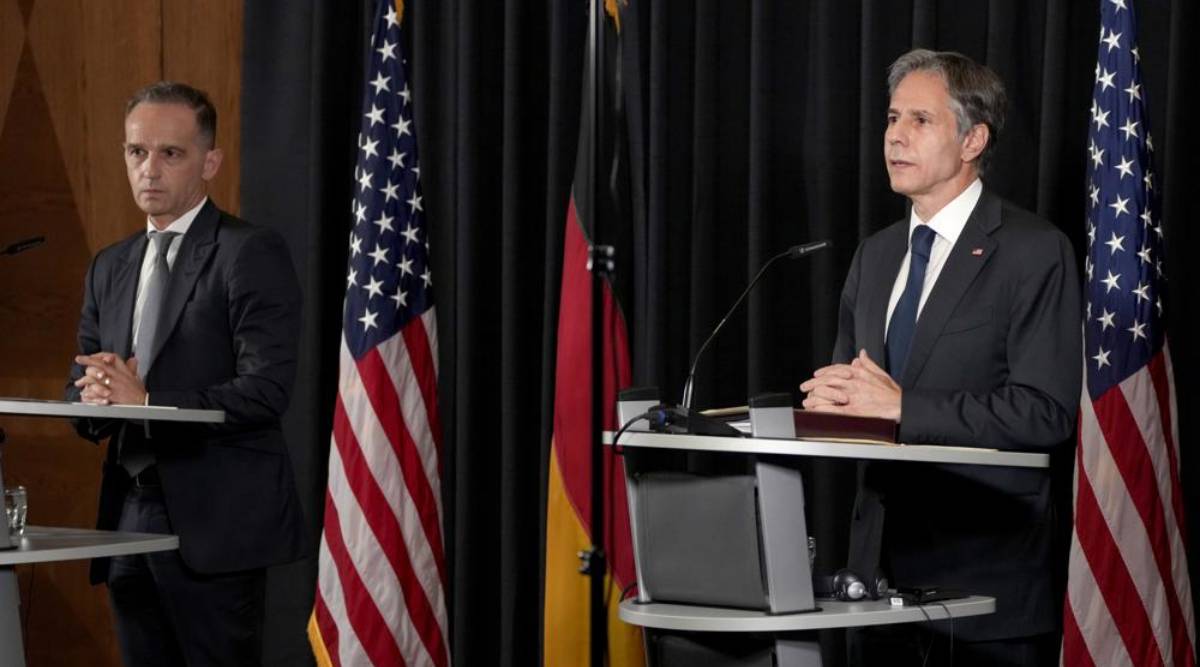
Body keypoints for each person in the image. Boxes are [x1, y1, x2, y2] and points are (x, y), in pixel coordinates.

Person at [800, 49, 1081, 665]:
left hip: (984, 595)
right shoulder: (874, 257)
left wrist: (903, 407)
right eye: (893, 117)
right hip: (874, 593)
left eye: (920, 121)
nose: (895, 135)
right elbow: (857, 398)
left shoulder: (1035, 252)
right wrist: (828, 407)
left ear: (973, 139)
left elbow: (1045, 414)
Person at [65, 82, 306, 666]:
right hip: (128, 515)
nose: (149, 169)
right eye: (136, 152)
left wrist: (147, 400)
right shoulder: (110, 265)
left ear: (210, 162)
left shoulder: (248, 252)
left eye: (170, 153)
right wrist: (92, 398)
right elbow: (80, 381)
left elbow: (266, 390)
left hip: (215, 521)